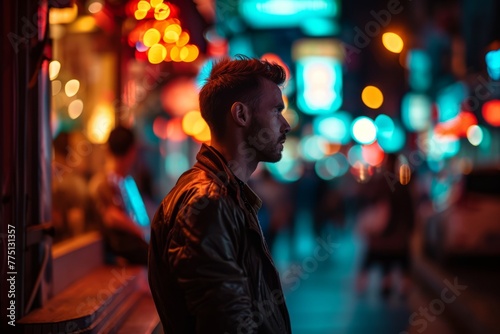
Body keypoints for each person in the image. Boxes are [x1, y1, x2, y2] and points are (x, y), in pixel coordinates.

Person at [148, 56, 292, 333]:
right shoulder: (208, 201)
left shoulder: (226, 193)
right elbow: (225, 322)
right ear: (240, 115)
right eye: (276, 110)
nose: (285, 125)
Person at [89, 125, 149, 265]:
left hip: (128, 250)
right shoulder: (105, 184)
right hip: (120, 253)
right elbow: (112, 217)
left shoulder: (125, 181)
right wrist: (142, 232)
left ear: (107, 149)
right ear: (132, 152)